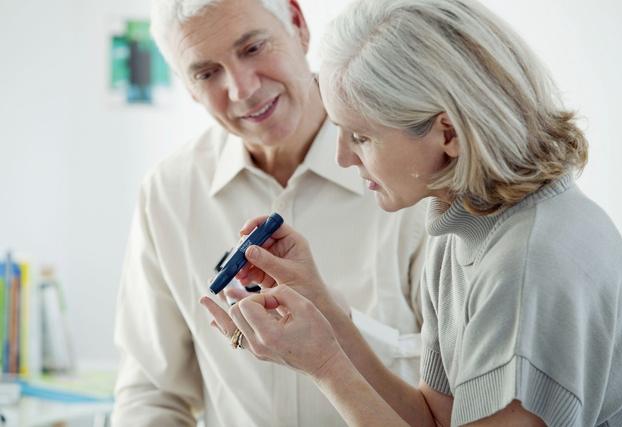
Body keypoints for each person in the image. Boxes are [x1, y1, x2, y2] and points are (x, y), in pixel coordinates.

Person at [200, 0, 622, 425]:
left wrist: (325, 366)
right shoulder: (462, 227)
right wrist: (323, 310)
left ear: (447, 132)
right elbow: (434, 419)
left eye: (360, 136)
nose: (342, 158)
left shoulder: (531, 265)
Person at [111, 0, 428, 425]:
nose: (242, 89)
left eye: (253, 48)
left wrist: (336, 330)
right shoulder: (168, 193)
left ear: (297, 24)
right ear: (188, 87)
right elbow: (152, 390)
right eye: (207, 73)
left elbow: (460, 383)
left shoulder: (414, 167)